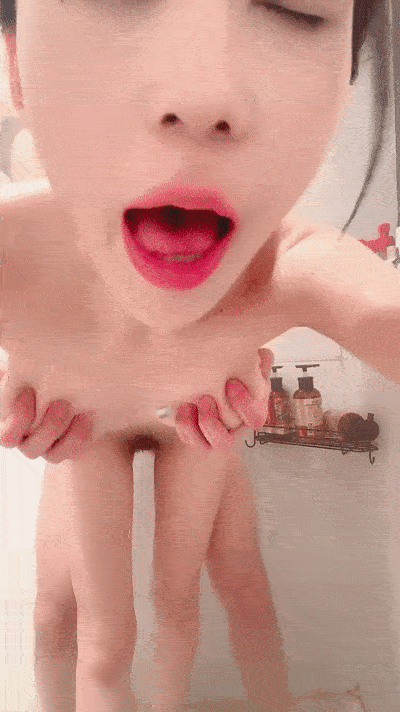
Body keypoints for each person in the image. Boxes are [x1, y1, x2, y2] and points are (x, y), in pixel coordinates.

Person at [0, 1, 399, 711]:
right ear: (15, 61)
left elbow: (371, 306)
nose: (204, 93)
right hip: (96, 427)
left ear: (340, 89)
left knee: (183, 603)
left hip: (190, 419)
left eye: (295, 3)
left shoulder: (297, 270)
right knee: (93, 630)